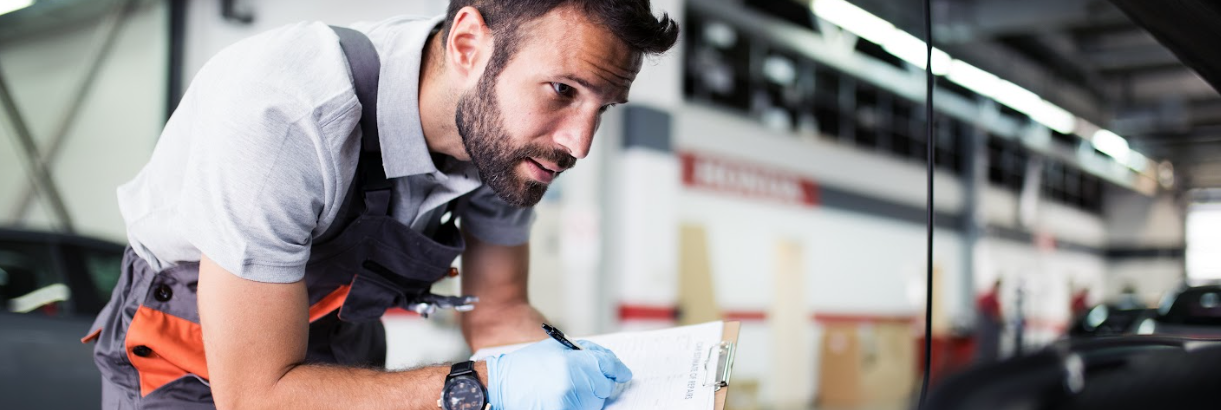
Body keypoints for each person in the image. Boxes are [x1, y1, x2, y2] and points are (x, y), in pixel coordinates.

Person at [83, 1, 679, 409]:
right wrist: (480, 386)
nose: (578, 142)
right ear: (469, 44)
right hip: (195, 359)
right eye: (563, 91)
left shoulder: (513, 148)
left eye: (602, 109)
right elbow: (258, 395)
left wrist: (573, 368)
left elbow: (498, 312)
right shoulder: (287, 114)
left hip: (345, 345)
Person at [975, 279, 1003, 363]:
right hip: (989, 329)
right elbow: (996, 315)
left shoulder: (988, 297)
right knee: (990, 350)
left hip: (986, 328)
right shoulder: (991, 298)